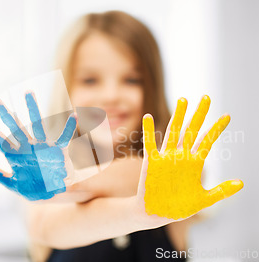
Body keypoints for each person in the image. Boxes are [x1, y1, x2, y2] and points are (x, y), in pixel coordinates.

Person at [21, 11, 242, 262]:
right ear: (66, 90)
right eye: (90, 80)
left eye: (131, 80)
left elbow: (135, 175)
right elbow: (43, 226)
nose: (112, 95)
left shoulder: (174, 171)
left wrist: (69, 183)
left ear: (152, 89)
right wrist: (134, 212)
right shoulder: (40, 177)